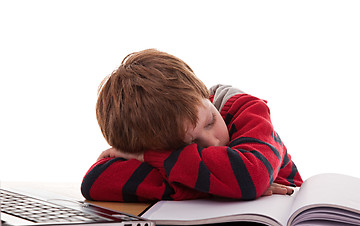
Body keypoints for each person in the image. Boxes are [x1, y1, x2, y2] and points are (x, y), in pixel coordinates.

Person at [81, 49, 303, 202]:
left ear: (205, 95)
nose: (213, 143)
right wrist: (221, 189)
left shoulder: (247, 110)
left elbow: (250, 177)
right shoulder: (159, 144)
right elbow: (95, 182)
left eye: (210, 122)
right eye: (190, 145)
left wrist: (151, 160)